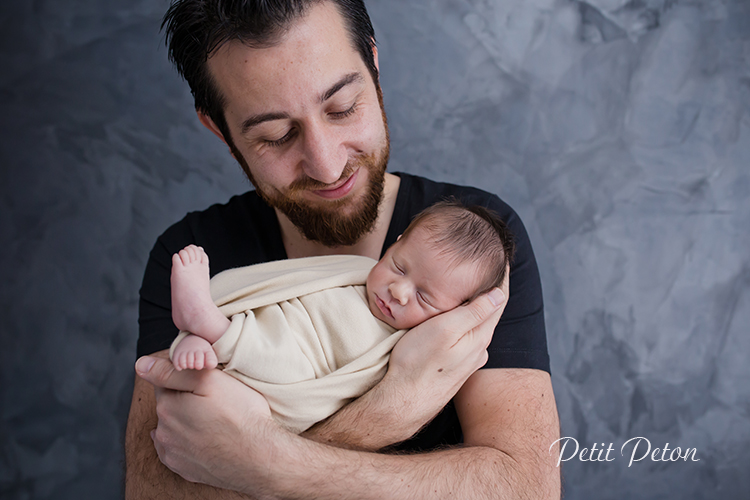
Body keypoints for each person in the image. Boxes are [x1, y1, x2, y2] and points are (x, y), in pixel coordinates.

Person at [125, 0, 561, 498]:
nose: (328, 166)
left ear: (373, 69)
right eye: (276, 136)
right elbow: (154, 493)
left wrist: (255, 460)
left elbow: (525, 488)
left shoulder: (475, 250)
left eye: (342, 107)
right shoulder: (190, 256)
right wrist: (387, 413)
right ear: (220, 132)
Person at [168, 201, 515, 433]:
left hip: (302, 370)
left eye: (424, 297)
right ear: (394, 244)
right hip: (277, 323)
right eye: (398, 266)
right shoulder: (357, 272)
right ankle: (206, 331)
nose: (399, 291)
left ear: (455, 314)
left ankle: (210, 327)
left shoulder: (406, 345)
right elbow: (284, 284)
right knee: (266, 317)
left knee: (284, 363)